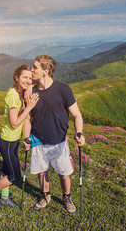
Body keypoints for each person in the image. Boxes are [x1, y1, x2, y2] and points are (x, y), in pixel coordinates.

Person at [22, 55, 86, 214]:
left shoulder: (63, 90)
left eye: (35, 67)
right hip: (38, 140)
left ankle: (67, 197)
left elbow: (77, 115)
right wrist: (26, 137)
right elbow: (27, 118)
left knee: (64, 175)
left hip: (59, 141)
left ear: (46, 71)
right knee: (42, 173)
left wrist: (79, 133)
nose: (31, 70)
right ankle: (46, 196)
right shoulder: (30, 92)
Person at [0, 64, 39, 209]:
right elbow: (14, 124)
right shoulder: (13, 96)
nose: (27, 80)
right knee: (14, 176)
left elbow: (38, 81)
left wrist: (31, 86)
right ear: (16, 77)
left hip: (13, 140)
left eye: (30, 78)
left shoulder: (19, 93)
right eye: (24, 77)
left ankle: (4, 198)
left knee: (6, 170)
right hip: (7, 141)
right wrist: (29, 107)